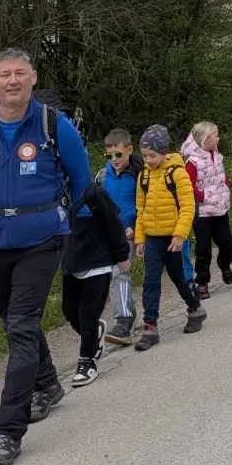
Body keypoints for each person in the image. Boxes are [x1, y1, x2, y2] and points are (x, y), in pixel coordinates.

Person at [0, 46, 92, 465]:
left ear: (33, 78)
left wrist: (67, 226)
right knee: (13, 320)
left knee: (20, 326)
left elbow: (81, 180)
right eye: (5, 74)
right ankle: (48, 383)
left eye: (20, 73)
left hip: (41, 240)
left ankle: (7, 431)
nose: (13, 81)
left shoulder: (55, 127)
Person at [133, 124, 206, 350]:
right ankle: (150, 326)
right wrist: (140, 238)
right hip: (153, 238)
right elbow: (140, 209)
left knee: (179, 278)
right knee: (150, 281)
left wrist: (180, 235)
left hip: (173, 238)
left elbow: (188, 207)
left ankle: (195, 308)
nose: (147, 160)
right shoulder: (144, 176)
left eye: (152, 155)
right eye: (144, 155)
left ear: (164, 152)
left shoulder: (178, 173)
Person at [61, 168, 130, 388]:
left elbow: (113, 223)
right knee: (69, 311)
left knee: (87, 314)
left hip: (98, 262)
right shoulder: (56, 195)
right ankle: (94, 333)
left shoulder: (94, 194)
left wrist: (121, 255)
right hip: (72, 262)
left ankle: (87, 361)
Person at [96, 129, 140, 347]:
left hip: (131, 232)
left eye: (118, 155)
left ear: (129, 150)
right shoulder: (103, 176)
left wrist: (136, 227)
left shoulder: (140, 173)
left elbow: (145, 204)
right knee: (116, 274)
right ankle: (126, 316)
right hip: (110, 234)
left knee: (121, 274)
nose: (114, 160)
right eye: (109, 156)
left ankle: (126, 321)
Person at [181, 121, 232, 298]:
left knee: (227, 241)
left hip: (220, 208)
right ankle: (202, 281)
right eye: (215, 136)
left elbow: (221, 175)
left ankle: (224, 264)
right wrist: (202, 196)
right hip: (203, 212)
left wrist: (226, 187)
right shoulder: (193, 162)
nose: (218, 138)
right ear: (205, 139)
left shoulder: (217, 156)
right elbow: (187, 186)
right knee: (203, 248)